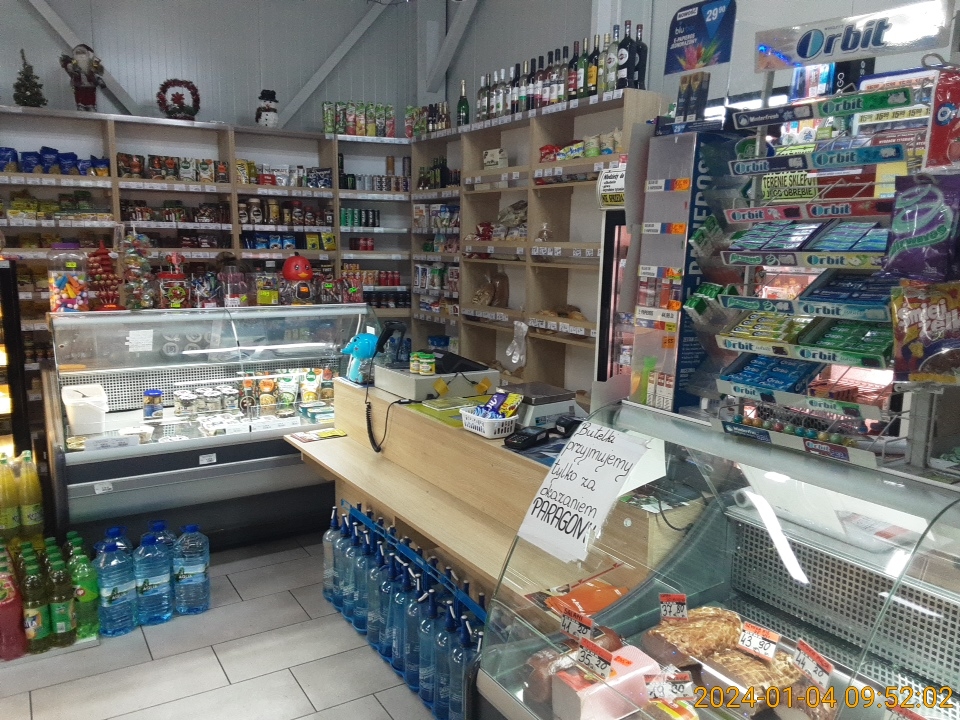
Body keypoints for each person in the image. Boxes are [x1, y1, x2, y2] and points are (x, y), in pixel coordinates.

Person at [60, 44, 106, 111]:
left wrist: (97, 68)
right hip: (79, 83)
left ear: (87, 54)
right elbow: (67, 65)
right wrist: (69, 66)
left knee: (90, 94)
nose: (81, 56)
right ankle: (80, 105)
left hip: (90, 83)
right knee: (79, 94)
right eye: (78, 53)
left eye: (83, 53)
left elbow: (100, 71)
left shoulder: (92, 62)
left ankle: (91, 105)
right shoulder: (74, 62)